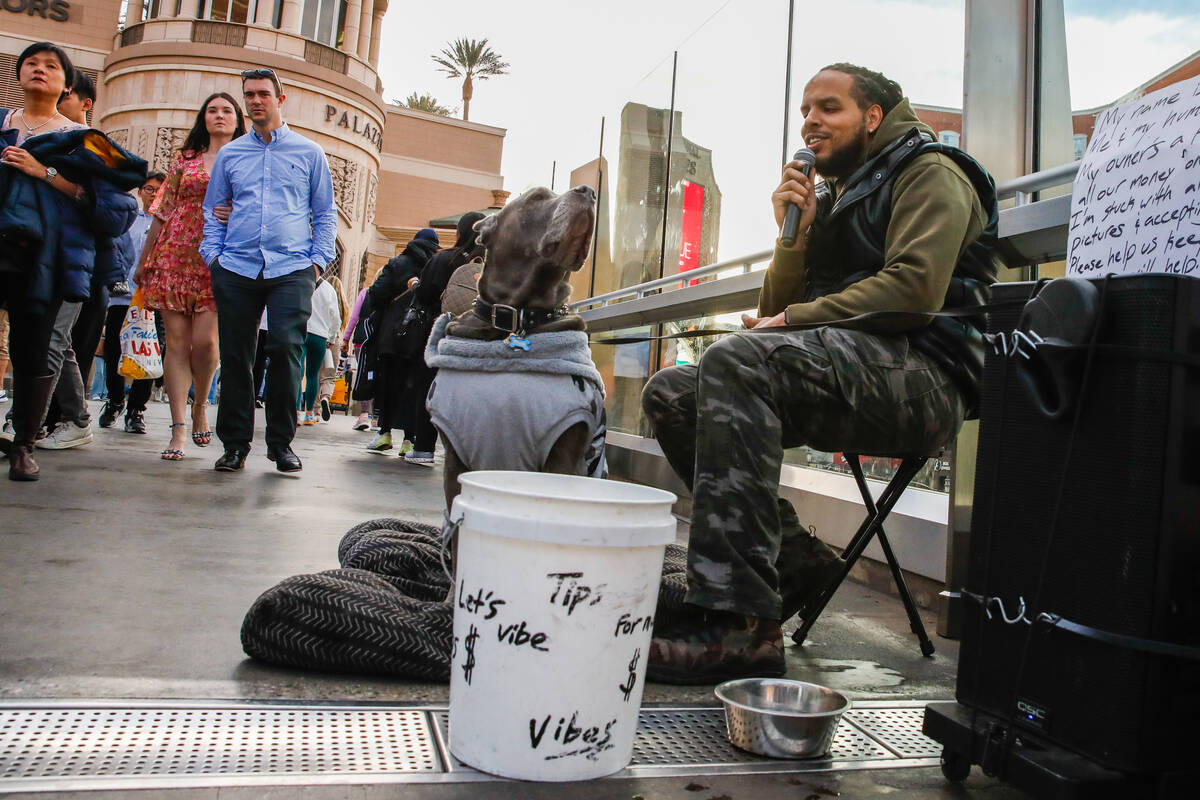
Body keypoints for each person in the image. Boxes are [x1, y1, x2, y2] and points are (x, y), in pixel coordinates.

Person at [642, 64, 1000, 684]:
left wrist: (787, 321)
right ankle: (793, 560)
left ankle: (738, 626)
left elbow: (913, 289)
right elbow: (787, 302)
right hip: (852, 367)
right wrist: (794, 238)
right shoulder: (838, 194)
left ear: (873, 117)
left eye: (828, 108)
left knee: (737, 357)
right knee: (672, 391)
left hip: (926, 376)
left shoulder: (931, 171)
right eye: (806, 111)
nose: (810, 122)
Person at [0, 41, 144, 480]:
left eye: (50, 66)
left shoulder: (83, 141)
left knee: (33, 348)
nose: (39, 70)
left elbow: (115, 208)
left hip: (44, 257)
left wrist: (41, 172)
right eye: (31, 64)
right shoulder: (3, 125)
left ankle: (24, 444)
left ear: (66, 84)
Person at [200, 67, 337, 474]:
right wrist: (214, 257)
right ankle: (235, 445)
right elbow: (213, 210)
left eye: (263, 93)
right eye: (249, 95)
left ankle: (280, 444)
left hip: (292, 266)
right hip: (237, 265)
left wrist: (316, 262)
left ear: (281, 99)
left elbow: (324, 212)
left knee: (285, 349)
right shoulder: (231, 154)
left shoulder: (309, 152)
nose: (255, 100)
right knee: (237, 356)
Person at [135, 93, 244, 461]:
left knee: (207, 343)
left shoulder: (248, 161)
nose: (219, 115)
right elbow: (162, 210)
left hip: (219, 259)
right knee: (177, 343)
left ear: (237, 118)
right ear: (204, 118)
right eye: (212, 110)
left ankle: (201, 403)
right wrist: (145, 258)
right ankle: (178, 427)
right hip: (174, 254)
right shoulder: (187, 161)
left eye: (227, 110)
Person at [400, 212, 485, 465]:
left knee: (429, 389)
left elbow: (425, 295)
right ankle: (466, 454)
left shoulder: (444, 259)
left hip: (440, 332)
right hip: (477, 335)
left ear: (460, 232)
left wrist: (414, 285)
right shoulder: (493, 265)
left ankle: (424, 448)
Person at [358, 229, 439, 454]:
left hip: (393, 337)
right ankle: (409, 440)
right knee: (415, 388)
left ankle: (384, 433)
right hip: (422, 337)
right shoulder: (434, 267)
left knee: (389, 384)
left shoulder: (398, 263)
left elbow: (376, 293)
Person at [99, 171, 165, 433]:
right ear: (140, 192)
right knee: (114, 348)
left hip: (152, 299)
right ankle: (115, 400)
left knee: (150, 350)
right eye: (148, 189)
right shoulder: (129, 220)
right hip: (122, 296)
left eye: (158, 190)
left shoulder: (167, 223)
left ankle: (137, 409)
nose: (152, 194)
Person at [297, 275, 342, 425]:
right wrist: (331, 337)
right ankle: (309, 413)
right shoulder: (329, 289)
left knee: (298, 371)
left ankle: (296, 411)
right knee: (312, 375)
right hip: (320, 336)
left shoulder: (301, 280)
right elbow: (336, 318)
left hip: (301, 331)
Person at [315, 274, 349, 421]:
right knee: (329, 376)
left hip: (319, 336)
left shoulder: (321, 295)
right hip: (333, 339)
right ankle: (326, 398)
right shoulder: (342, 304)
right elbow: (340, 322)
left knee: (315, 374)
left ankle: (314, 408)